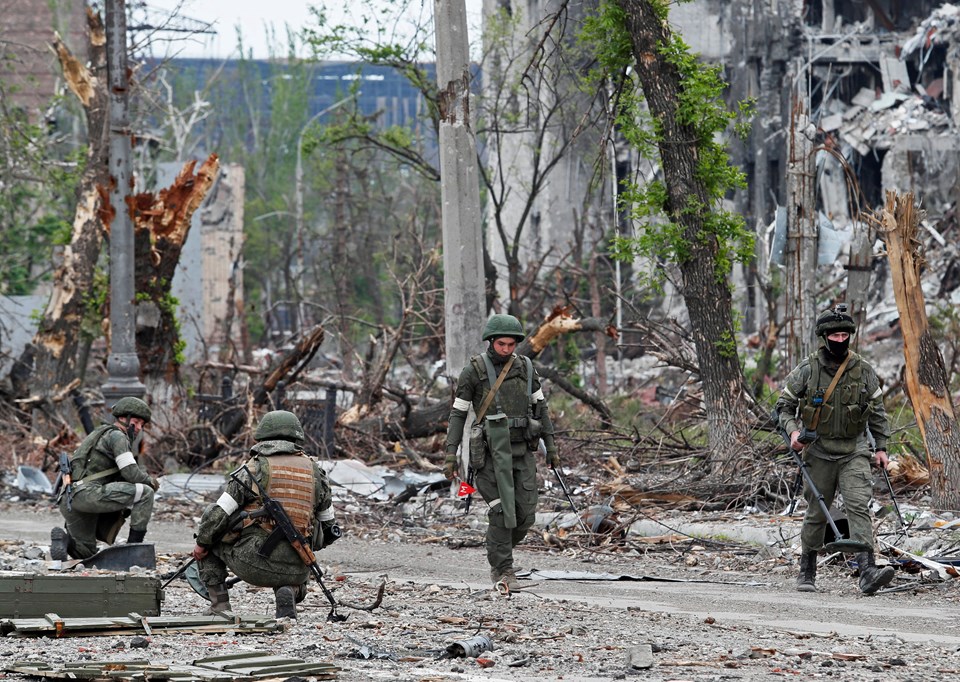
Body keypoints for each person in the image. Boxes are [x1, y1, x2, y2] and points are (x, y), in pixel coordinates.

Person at [775, 304, 895, 595]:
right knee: (817, 509)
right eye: (834, 335)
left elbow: (877, 412)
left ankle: (867, 570)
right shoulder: (808, 370)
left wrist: (881, 447)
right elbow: (783, 406)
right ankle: (807, 568)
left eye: (844, 335)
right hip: (818, 450)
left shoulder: (863, 370)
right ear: (824, 337)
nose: (840, 340)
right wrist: (793, 432)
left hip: (854, 449)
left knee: (857, 505)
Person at [443, 314, 559, 591]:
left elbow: (541, 409)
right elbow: (458, 414)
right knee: (500, 513)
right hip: (489, 456)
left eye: (511, 344)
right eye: (502, 344)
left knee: (526, 515)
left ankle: (499, 548)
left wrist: (551, 446)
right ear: (491, 341)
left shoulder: (526, 368)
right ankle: (502, 569)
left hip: (521, 452)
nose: (506, 349)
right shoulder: (474, 371)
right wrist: (451, 453)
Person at [191, 410, 338, 619]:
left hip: (254, 565)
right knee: (301, 553)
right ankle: (291, 591)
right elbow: (329, 529)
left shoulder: (253, 468)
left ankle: (219, 605)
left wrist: (201, 544)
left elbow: (217, 515)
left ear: (261, 438)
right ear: (297, 438)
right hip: (299, 568)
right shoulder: (316, 473)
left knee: (210, 537)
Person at [50, 396, 159, 561]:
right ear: (123, 418)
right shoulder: (118, 437)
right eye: (135, 422)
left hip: (69, 499)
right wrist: (150, 481)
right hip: (88, 495)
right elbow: (131, 473)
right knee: (145, 493)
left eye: (141, 425)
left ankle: (64, 541)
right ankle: (133, 551)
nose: (138, 428)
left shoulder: (98, 434)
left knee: (86, 552)